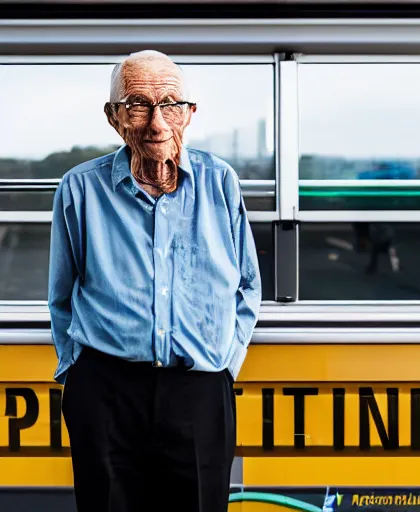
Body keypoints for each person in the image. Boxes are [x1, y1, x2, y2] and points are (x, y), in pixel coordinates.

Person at [48, 50, 262, 512]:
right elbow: (61, 297)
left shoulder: (220, 181)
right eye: (138, 104)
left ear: (189, 113)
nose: (156, 123)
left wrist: (226, 363)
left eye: (170, 104)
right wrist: (77, 374)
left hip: (199, 389)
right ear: (113, 116)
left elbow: (248, 284)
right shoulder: (79, 188)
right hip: (105, 392)